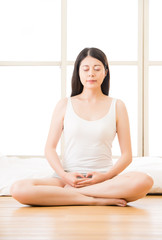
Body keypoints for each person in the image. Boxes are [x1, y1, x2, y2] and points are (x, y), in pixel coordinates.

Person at [10, 47, 153, 207]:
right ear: (78, 72)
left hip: (104, 179)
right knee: (18, 189)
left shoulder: (117, 105)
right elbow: (50, 148)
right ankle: (93, 200)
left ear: (105, 72)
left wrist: (105, 177)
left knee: (144, 181)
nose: (91, 73)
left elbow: (127, 155)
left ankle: (72, 195)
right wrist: (65, 177)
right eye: (85, 69)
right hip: (67, 178)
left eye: (97, 69)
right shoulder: (65, 104)